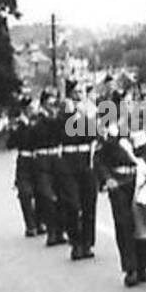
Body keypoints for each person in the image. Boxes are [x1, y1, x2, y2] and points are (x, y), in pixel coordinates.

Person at [94, 109, 146, 287]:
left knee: (140, 223)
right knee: (123, 223)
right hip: (119, 182)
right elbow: (99, 160)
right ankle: (130, 269)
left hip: (137, 179)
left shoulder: (139, 133)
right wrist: (107, 179)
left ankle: (143, 266)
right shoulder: (108, 135)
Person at [54, 79, 99, 260]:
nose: (80, 95)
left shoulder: (89, 111)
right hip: (69, 160)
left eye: (82, 92)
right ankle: (75, 242)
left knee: (89, 203)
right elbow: (60, 132)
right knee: (72, 203)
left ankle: (87, 243)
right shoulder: (64, 113)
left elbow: (95, 133)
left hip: (86, 159)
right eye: (77, 91)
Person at [30, 89, 66, 247]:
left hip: (56, 157)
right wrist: (48, 118)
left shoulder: (57, 118)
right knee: (47, 196)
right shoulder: (37, 119)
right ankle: (51, 231)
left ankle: (60, 231)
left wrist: (58, 117)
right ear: (44, 102)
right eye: (50, 101)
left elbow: (62, 134)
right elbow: (36, 135)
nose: (53, 104)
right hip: (43, 158)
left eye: (54, 100)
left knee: (60, 194)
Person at [3, 94, 41, 236]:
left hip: (38, 159)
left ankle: (39, 222)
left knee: (40, 192)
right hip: (24, 160)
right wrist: (14, 130)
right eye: (29, 108)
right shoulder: (19, 125)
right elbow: (10, 144)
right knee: (25, 193)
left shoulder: (38, 121)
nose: (32, 110)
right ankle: (30, 225)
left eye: (32, 107)